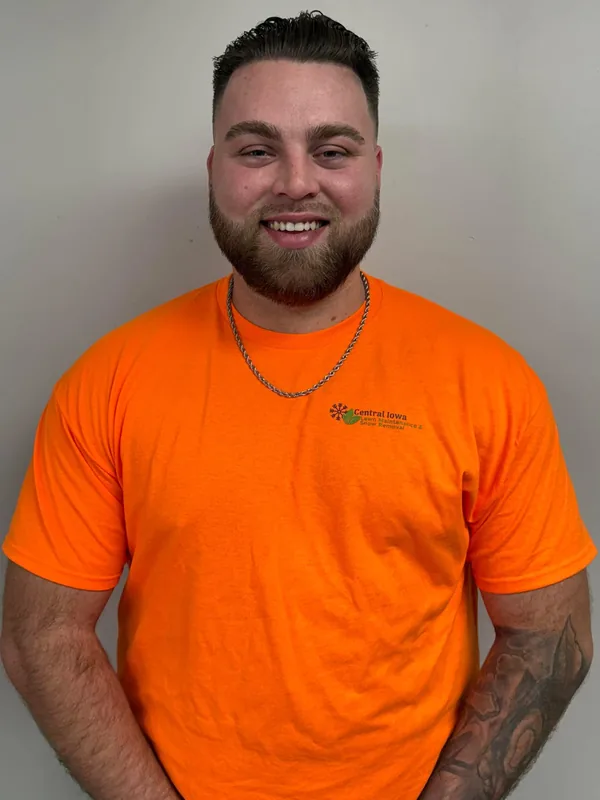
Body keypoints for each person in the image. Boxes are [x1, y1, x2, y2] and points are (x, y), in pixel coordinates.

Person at [0, 11, 596, 800]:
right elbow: (41, 633)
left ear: (374, 168)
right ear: (214, 168)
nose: (294, 182)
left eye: (331, 150)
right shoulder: (107, 381)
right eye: (257, 150)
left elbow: (549, 634)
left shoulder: (487, 380)